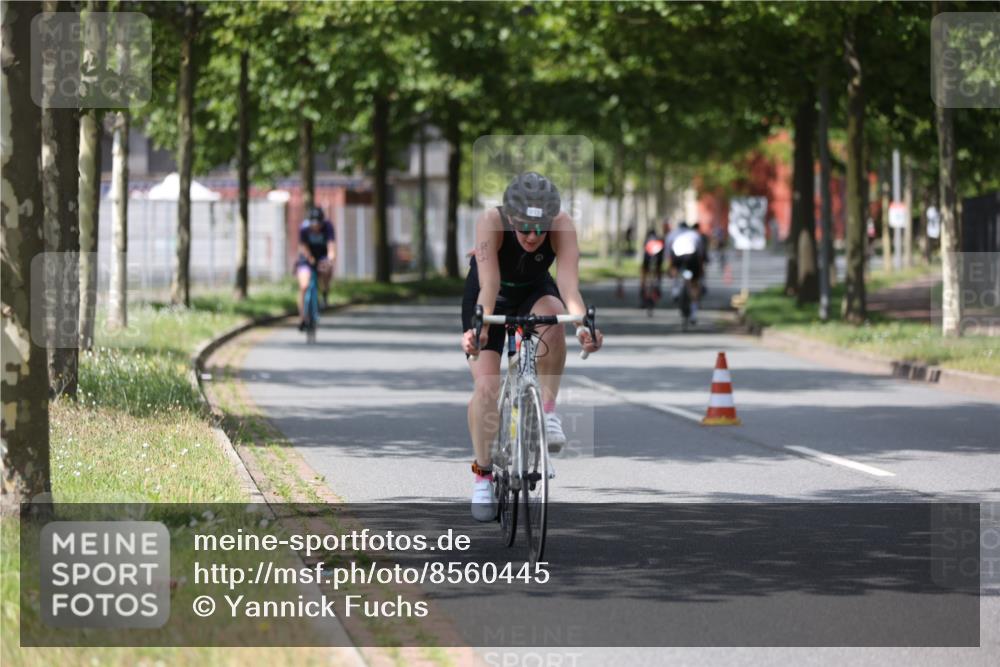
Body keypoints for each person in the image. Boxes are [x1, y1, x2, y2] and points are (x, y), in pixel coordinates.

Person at [460, 172, 604, 521]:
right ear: (511, 219)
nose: (532, 237)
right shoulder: (491, 222)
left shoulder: (562, 225)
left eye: (540, 230)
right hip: (488, 296)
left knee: (555, 322)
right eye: (523, 229)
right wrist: (479, 332)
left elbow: (569, 289)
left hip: (535, 291)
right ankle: (482, 473)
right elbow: (489, 286)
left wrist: (585, 326)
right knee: (487, 388)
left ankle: (548, 411)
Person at [295, 206, 336, 330]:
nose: (315, 226)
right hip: (306, 258)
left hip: (322, 255)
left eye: (318, 223)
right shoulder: (304, 228)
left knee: (326, 269)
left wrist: (330, 260)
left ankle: (324, 292)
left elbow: (331, 248)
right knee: (304, 286)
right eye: (313, 223)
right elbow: (303, 247)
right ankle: (302, 318)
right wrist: (310, 258)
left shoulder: (328, 227)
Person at [668, 221, 708, 325]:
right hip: (691, 255)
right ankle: (694, 313)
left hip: (677, 254)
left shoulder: (679, 235)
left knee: (675, 270)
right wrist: (701, 270)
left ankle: (675, 289)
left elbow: (671, 251)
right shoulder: (697, 236)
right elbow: (701, 255)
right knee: (694, 284)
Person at [639, 224, 667, 311]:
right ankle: (658, 284)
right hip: (658, 259)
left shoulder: (647, 240)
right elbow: (662, 253)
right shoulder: (659, 239)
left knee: (643, 272)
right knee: (658, 269)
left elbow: (645, 253)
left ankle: (642, 287)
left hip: (647, 259)